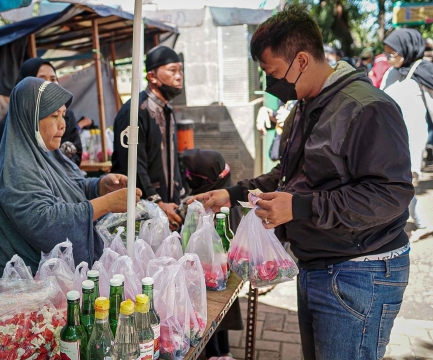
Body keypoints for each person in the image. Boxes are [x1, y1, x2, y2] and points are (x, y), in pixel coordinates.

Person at [190, 6, 413, 360]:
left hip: (360, 271)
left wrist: (300, 207)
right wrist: (232, 194)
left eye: (273, 72)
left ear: (302, 61)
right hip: (317, 264)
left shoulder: (367, 108)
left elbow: (391, 195)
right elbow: (289, 175)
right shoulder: (306, 106)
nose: (270, 84)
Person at [0, 77, 141, 278]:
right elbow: (45, 223)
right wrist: (106, 204)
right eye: (54, 115)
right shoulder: (14, 167)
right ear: (30, 118)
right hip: (14, 283)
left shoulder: (47, 153)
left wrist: (98, 186)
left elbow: (70, 186)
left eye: (63, 115)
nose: (63, 125)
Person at [112, 45, 184, 230]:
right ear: (152, 76)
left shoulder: (167, 110)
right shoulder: (134, 111)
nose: (179, 76)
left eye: (180, 70)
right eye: (172, 70)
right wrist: (157, 203)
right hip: (141, 208)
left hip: (168, 205)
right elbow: (134, 165)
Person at [182, 148, 242, 360]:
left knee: (213, 309)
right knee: (220, 308)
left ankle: (217, 353)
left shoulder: (214, 208)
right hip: (220, 271)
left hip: (214, 272)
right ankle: (221, 352)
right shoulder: (223, 189)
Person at [381, 28, 433, 242]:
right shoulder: (391, 73)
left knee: (404, 181)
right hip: (389, 136)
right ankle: (421, 223)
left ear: (407, 49)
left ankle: (402, 227)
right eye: (386, 53)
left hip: (412, 137)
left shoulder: (425, 72)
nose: (388, 58)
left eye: (392, 54)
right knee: (397, 181)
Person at [0, 58, 90, 165]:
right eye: (42, 79)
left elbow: (76, 155)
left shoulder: (67, 116)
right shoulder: (14, 121)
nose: (49, 84)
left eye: (53, 79)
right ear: (27, 85)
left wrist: (61, 170)